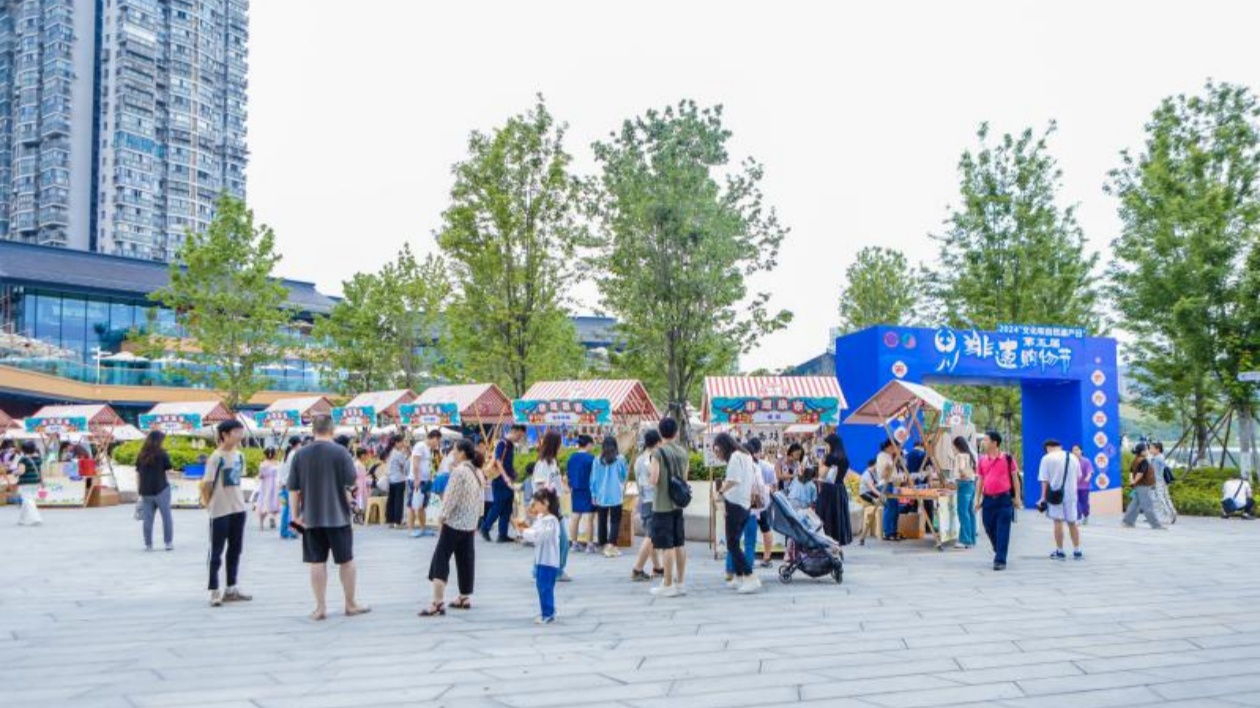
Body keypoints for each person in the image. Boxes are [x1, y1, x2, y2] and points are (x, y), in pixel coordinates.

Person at [288, 415, 371, 621]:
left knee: (317, 562)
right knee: (347, 561)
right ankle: (350, 604)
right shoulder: (341, 452)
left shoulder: (300, 454)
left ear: (313, 429)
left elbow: (293, 489)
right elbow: (351, 482)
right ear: (332, 429)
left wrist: (294, 516)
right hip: (338, 517)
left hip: (311, 518)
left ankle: (320, 607)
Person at [421, 438, 485, 617]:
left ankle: (437, 601)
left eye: (455, 451)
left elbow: (450, 498)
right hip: (469, 523)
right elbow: (479, 499)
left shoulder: (459, 472)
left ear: (462, 453)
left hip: (454, 522)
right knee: (466, 560)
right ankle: (464, 597)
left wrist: (442, 517)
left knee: (440, 559)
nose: (452, 454)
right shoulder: (477, 471)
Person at [202, 420, 252, 606]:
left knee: (235, 550)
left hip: (238, 508)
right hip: (220, 510)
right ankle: (214, 590)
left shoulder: (239, 455)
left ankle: (231, 588)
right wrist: (209, 504)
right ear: (224, 434)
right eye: (236, 432)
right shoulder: (216, 457)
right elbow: (207, 484)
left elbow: (238, 480)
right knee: (216, 551)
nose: (240, 435)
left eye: (241, 431)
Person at [714, 433, 761, 594]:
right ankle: (739, 577)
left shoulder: (735, 457)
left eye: (717, 449)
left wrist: (720, 491)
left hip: (734, 504)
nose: (716, 453)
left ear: (723, 446)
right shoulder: (746, 455)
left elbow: (733, 480)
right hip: (745, 504)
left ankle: (750, 576)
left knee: (732, 544)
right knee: (735, 542)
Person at [649, 417, 689, 598]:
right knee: (679, 543)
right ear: (676, 432)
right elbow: (685, 478)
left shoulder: (657, 453)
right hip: (678, 505)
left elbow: (654, 479)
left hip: (662, 505)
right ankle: (680, 583)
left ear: (660, 432)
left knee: (667, 546)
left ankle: (667, 584)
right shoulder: (682, 452)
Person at [516, 487, 562, 624]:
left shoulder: (551, 520)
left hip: (548, 561)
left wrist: (524, 532)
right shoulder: (543, 518)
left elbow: (539, 536)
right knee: (542, 586)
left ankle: (548, 613)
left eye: (536, 503)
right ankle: (548, 610)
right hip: (542, 560)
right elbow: (534, 531)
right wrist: (524, 530)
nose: (534, 506)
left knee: (545, 587)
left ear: (546, 503)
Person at [977, 431, 1021, 571]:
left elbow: (1015, 479)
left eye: (986, 440)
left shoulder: (1008, 459)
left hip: (1004, 499)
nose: (983, 443)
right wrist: (977, 499)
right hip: (988, 499)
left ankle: (1000, 559)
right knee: (988, 526)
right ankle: (999, 547)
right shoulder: (982, 460)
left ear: (994, 443)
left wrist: (1018, 497)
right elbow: (980, 480)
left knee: (1003, 529)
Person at [1037, 439, 1084, 560]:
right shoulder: (1073, 457)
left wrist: (1042, 498)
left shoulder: (1047, 458)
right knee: (1072, 522)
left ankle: (1060, 551)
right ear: (1060, 446)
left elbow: (1044, 480)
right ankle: (1077, 550)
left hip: (1055, 495)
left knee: (1058, 521)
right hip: (1071, 495)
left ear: (1047, 448)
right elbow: (1079, 477)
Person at [532, 431, 571, 581]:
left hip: (554, 506)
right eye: (560, 444)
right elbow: (541, 486)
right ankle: (548, 571)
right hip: (547, 508)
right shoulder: (543, 464)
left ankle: (553, 570)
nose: (562, 447)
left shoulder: (553, 462)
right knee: (554, 541)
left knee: (558, 541)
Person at [481, 425, 524, 543]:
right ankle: (485, 528)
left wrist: (513, 472)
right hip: (500, 480)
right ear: (513, 431)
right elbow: (498, 461)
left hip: (508, 480)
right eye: (519, 436)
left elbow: (506, 462)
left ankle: (502, 534)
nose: (519, 438)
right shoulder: (502, 443)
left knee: (507, 507)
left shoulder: (510, 445)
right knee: (498, 505)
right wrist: (505, 477)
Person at [631, 430, 663, 581]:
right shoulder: (652, 458)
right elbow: (655, 478)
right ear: (657, 442)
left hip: (644, 499)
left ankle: (657, 567)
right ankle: (637, 569)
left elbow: (638, 481)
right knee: (651, 536)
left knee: (650, 535)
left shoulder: (639, 459)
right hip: (653, 500)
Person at [135, 430, 175, 551]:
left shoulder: (141, 454)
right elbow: (169, 469)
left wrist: (139, 490)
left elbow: (138, 473)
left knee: (148, 519)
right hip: (161, 488)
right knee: (166, 517)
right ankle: (168, 543)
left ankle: (148, 545)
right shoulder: (162, 454)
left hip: (146, 491)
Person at [592, 435, 629, 558]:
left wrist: (593, 494)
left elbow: (593, 479)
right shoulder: (620, 459)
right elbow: (624, 475)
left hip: (601, 495)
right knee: (615, 521)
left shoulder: (597, 460)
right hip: (616, 495)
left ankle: (602, 543)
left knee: (601, 520)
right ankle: (611, 545)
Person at [748, 438, 778, 568]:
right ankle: (767, 557)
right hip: (764, 502)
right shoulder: (768, 466)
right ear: (760, 451)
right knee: (766, 528)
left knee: (751, 528)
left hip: (751, 501)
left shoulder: (748, 464)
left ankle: (750, 557)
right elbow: (774, 486)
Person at [1122, 443, 1164, 530]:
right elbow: (1140, 473)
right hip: (1144, 486)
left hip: (1139, 485)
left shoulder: (1135, 460)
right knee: (1148, 505)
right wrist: (1134, 481)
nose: (1148, 451)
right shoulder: (1143, 461)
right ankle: (1156, 525)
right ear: (1142, 452)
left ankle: (1128, 522)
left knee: (1134, 504)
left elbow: (1131, 472)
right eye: (1146, 449)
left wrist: (1132, 481)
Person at [566, 435, 596, 552]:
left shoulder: (571, 457)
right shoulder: (591, 458)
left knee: (575, 516)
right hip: (588, 490)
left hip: (576, 489)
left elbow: (568, 474)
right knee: (589, 517)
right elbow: (595, 476)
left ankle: (574, 544)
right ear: (588, 444)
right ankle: (589, 545)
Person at [409, 430, 440, 538]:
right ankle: (411, 529)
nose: (437, 444)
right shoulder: (420, 446)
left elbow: (426, 464)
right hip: (417, 480)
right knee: (412, 505)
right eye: (437, 441)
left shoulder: (427, 448)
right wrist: (417, 479)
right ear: (434, 438)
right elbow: (415, 462)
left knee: (422, 506)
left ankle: (423, 528)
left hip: (426, 480)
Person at [877, 439, 905, 542]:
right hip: (885, 484)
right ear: (889, 446)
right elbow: (882, 474)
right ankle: (887, 532)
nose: (897, 449)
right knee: (890, 507)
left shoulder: (889, 456)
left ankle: (893, 531)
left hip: (892, 484)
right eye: (896, 447)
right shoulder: (882, 456)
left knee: (895, 508)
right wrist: (887, 467)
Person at [953, 437, 978, 549]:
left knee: (963, 512)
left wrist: (960, 475)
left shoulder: (960, 456)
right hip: (971, 484)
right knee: (970, 512)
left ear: (957, 446)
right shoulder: (970, 455)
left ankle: (965, 539)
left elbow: (962, 470)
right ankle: (971, 538)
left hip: (964, 484)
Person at [278, 436, 303, 540]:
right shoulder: (293, 455)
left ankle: (285, 531)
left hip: (284, 485)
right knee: (291, 510)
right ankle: (289, 531)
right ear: (297, 444)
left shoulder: (285, 455)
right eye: (300, 444)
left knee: (286, 509)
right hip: (291, 486)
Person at [14, 441, 43, 526]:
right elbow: (41, 471)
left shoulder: (23, 459)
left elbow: (21, 471)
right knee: (27, 500)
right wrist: (42, 481)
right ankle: (21, 519)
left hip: (25, 482)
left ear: (24, 450)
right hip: (36, 482)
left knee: (28, 500)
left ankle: (36, 518)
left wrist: (15, 472)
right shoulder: (38, 458)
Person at [383, 434, 409, 529]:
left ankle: (391, 521)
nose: (403, 444)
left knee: (392, 500)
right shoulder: (398, 454)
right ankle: (397, 522)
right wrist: (406, 454)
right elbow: (405, 466)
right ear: (397, 443)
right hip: (399, 479)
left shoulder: (390, 452)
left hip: (391, 479)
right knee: (398, 501)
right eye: (402, 442)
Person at [856, 458, 881, 546]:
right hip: (865, 493)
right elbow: (872, 488)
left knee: (882, 502)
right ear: (874, 464)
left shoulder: (875, 473)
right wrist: (880, 494)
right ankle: (878, 530)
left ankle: (877, 529)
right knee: (879, 503)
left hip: (872, 492)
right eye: (877, 464)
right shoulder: (867, 474)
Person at [255, 447, 281, 531]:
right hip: (275, 485)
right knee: (274, 502)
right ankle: (272, 518)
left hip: (266, 485)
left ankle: (262, 524)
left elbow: (260, 476)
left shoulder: (263, 464)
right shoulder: (277, 463)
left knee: (264, 502)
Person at [1071, 444, 1094, 526]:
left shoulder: (1086, 461)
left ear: (1081, 451)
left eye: (1077, 449)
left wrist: (1088, 477)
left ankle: (1086, 515)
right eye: (1073, 450)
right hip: (1073, 486)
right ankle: (1078, 518)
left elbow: (1090, 472)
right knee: (1076, 502)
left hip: (1084, 486)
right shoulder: (1071, 461)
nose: (1075, 451)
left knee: (1084, 503)